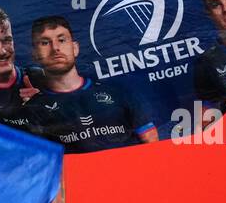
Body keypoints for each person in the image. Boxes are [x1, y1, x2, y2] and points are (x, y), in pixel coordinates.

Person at [25, 15, 158, 152]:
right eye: (45, 43)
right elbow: (40, 163)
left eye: (62, 40)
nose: (56, 48)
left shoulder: (118, 91)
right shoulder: (33, 110)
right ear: (35, 55)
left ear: (75, 48)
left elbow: (151, 140)